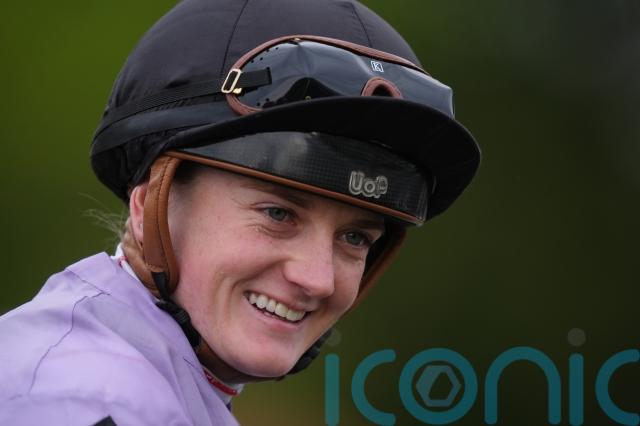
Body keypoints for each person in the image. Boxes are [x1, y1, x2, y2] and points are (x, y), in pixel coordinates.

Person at [0, 0, 480, 424]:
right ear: (149, 206)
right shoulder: (86, 398)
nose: (318, 280)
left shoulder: (153, 384)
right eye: (278, 214)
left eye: (355, 238)